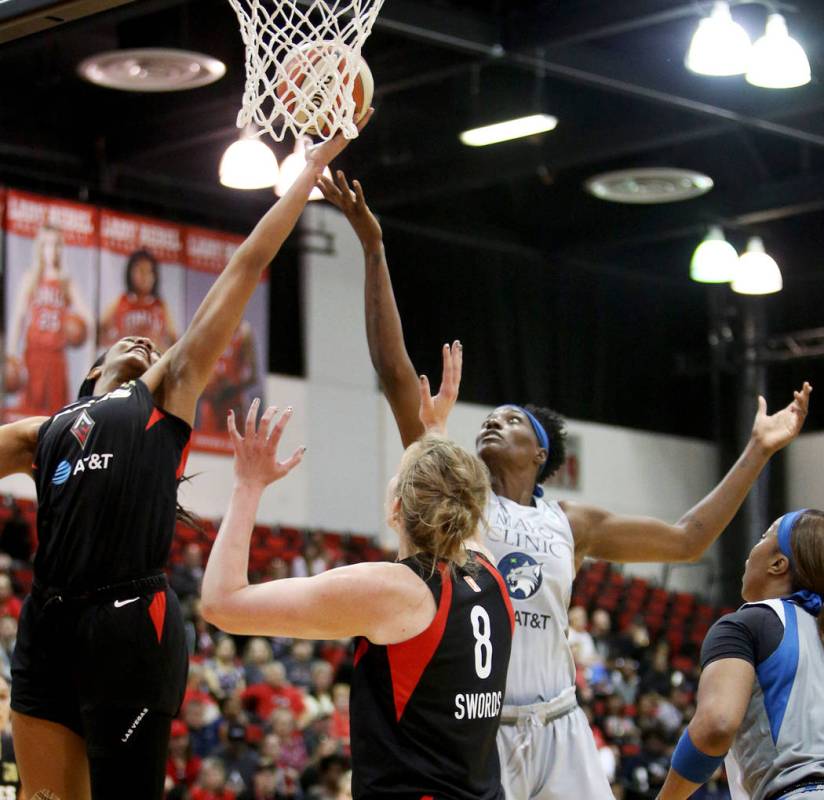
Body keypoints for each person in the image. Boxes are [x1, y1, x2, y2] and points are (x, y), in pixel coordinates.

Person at [317, 170, 814, 800]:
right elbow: (393, 373)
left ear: (541, 453)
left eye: (513, 419)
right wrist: (373, 245)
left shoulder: (572, 523)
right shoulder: (456, 496)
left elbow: (689, 539)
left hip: (558, 724)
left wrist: (757, 449)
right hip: (480, 726)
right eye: (490, 416)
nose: (493, 419)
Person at [0, 117, 369, 800]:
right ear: (90, 375)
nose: (140, 343)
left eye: (151, 342)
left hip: (128, 621)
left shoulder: (161, 394)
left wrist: (307, 174)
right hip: (47, 622)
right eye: (124, 342)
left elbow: (244, 268)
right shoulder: (42, 429)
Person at [201, 345, 514, 800]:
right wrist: (435, 431)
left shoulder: (393, 592)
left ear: (396, 509)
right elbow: (456, 497)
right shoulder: (489, 573)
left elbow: (221, 603)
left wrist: (248, 485)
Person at [657, 508, 824, 800]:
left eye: (763, 537)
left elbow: (716, 725)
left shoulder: (747, 623)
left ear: (778, 563)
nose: (751, 550)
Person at [7, 224, 94, 416]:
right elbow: (18, 317)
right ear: (40, 248)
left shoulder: (65, 282)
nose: (52, 250)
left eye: (56, 244)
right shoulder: (31, 278)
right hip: (33, 355)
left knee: (55, 416)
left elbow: (88, 319)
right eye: (47, 244)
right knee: (28, 416)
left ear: (61, 248)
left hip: (56, 358)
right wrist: (11, 354)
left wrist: (89, 361)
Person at [98, 248, 180, 350]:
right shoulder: (121, 301)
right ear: (130, 273)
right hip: (126, 360)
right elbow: (99, 330)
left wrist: (161, 349)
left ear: (155, 277)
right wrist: (115, 343)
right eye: (140, 271)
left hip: (152, 361)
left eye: (148, 272)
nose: (144, 277)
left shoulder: (160, 306)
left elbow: (174, 340)